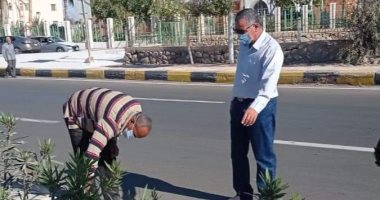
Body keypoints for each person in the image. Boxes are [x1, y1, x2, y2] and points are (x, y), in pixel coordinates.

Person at [229, 8, 284, 200]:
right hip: (239, 104)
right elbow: (243, 76)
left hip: (260, 107)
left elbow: (268, 87)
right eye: (237, 31)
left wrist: (254, 108)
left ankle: (267, 196)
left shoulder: (272, 49)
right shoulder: (246, 44)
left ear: (256, 27)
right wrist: (236, 100)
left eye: (241, 31)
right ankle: (243, 193)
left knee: (264, 156)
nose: (239, 37)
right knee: (237, 154)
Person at [63, 87, 152, 199]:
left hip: (100, 114)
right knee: (84, 161)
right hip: (76, 111)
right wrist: (88, 180)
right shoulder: (111, 122)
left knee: (109, 158)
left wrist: (112, 145)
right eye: (133, 134)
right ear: (132, 121)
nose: (131, 136)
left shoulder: (136, 108)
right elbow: (92, 153)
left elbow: (118, 127)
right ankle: (90, 196)